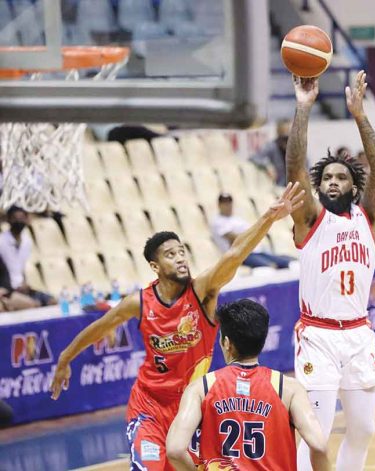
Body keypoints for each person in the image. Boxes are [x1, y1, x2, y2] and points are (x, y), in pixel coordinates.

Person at [50, 184, 304, 470]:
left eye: (182, 251)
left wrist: (268, 218)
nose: (180, 258)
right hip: (149, 408)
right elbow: (100, 326)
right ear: (154, 266)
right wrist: (65, 357)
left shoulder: (202, 291)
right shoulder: (140, 302)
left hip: (191, 407)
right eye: (170, 255)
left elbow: (233, 255)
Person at [286, 70, 375, 471]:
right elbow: (295, 168)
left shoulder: (367, 217)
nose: (331, 181)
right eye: (326, 176)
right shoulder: (310, 220)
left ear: (352, 186)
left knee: (364, 429)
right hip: (319, 336)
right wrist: (303, 108)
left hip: (358, 334)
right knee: (317, 431)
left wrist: (360, 117)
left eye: (340, 177)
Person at [166, 299, 330, 471]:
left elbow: (175, 450)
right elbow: (319, 446)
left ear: (227, 343)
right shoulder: (288, 388)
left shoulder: (201, 387)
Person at [211, 192, 294, 269]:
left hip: (255, 250)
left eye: (229, 202)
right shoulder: (218, 221)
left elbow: (253, 233)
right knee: (270, 267)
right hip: (239, 255)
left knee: (287, 262)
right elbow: (235, 239)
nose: (227, 205)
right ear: (219, 205)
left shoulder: (237, 219)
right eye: (224, 203)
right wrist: (253, 235)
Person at [0, 206, 55, 306]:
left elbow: (19, 268)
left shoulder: (27, 242)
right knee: (32, 304)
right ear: (8, 220)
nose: (18, 221)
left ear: (27, 219)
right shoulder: (1, 242)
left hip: (22, 288)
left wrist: (24, 283)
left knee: (52, 301)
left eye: (21, 218)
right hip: (6, 290)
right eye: (15, 218)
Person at [251, 119, 291, 185]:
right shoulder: (272, 146)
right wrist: (267, 166)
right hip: (279, 185)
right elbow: (254, 158)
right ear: (278, 132)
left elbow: (306, 165)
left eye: (288, 132)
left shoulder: (297, 148)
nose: (285, 135)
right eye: (283, 132)